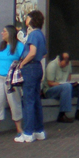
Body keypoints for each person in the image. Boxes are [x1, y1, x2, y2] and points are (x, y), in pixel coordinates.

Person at [16, 9, 48, 143]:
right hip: (38, 67)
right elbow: (44, 53)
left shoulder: (33, 34)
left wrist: (22, 63)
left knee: (28, 100)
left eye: (28, 17)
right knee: (35, 99)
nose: (26, 19)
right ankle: (39, 130)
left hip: (30, 67)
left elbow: (32, 52)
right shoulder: (40, 34)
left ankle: (28, 132)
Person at [0, 25, 24, 137]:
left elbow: (24, 58)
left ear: (10, 33)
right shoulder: (1, 45)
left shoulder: (19, 46)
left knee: (14, 101)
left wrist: (18, 70)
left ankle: (19, 128)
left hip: (11, 78)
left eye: (4, 31)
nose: (1, 33)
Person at [43, 52, 79, 123]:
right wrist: (63, 85)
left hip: (65, 88)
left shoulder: (68, 64)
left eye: (67, 64)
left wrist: (72, 84)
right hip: (51, 90)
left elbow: (69, 76)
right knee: (66, 86)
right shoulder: (52, 65)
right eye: (64, 64)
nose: (66, 66)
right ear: (59, 60)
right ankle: (62, 114)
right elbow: (50, 83)